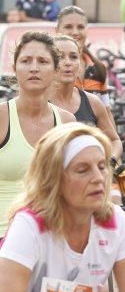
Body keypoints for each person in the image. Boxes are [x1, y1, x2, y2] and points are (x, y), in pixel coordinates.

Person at [0, 123, 125, 292]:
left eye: (102, 167)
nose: (98, 178)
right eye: (82, 170)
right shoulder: (30, 225)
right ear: (54, 180)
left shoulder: (115, 220)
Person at [0, 31, 75, 235]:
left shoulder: (67, 122)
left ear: (55, 70)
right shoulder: (2, 117)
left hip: (52, 235)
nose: (34, 68)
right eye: (26, 61)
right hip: (4, 236)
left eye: (42, 61)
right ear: (15, 69)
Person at [49, 35, 122, 161]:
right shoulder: (38, 102)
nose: (68, 62)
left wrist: (110, 162)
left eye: (73, 57)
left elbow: (114, 140)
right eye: (60, 57)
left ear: (80, 64)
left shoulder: (93, 102)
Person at [56, 5, 114, 125]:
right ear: (57, 30)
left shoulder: (99, 68)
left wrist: (113, 142)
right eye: (68, 27)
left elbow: (107, 114)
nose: (75, 32)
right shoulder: (48, 67)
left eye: (80, 27)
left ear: (87, 30)